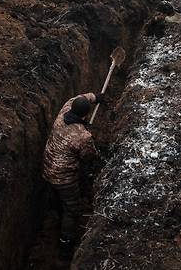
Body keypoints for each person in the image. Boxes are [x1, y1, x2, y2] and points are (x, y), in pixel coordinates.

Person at [42, 92, 103, 255]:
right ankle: (65, 242)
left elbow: (74, 98)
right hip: (64, 179)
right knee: (72, 209)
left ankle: (57, 217)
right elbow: (88, 157)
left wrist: (94, 96)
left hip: (47, 168)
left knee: (57, 200)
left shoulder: (63, 112)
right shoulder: (82, 137)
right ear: (86, 114)